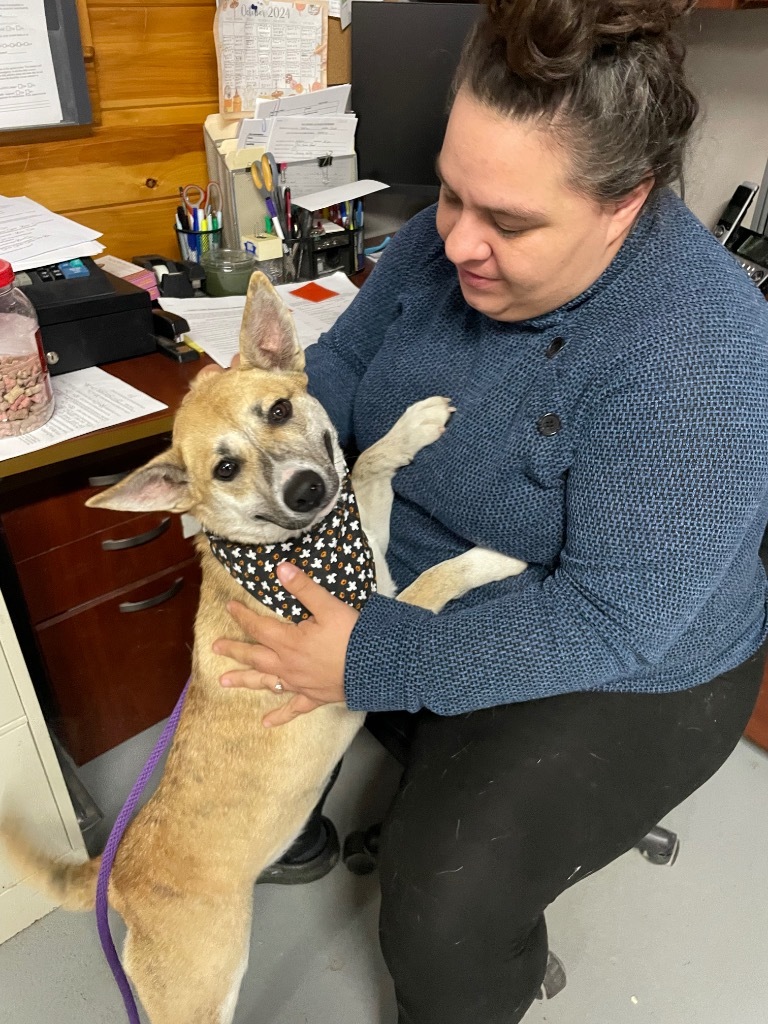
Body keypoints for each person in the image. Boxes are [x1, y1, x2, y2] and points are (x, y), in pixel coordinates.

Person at [212, 1, 768, 1021]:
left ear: (624, 202)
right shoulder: (437, 240)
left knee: (442, 913)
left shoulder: (699, 350)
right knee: (230, 604)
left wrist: (370, 656)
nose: (456, 238)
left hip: (633, 662)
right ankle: (285, 805)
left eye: (507, 220)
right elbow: (334, 371)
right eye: (454, 192)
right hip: (418, 579)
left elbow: (612, 619)